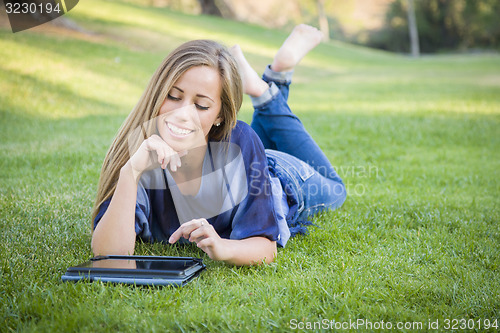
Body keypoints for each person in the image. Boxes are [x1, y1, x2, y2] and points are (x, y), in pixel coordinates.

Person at [91, 24, 346, 266]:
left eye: (201, 105)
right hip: (239, 160)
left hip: (281, 177)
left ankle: (265, 88)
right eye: (173, 96)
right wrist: (130, 172)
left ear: (220, 115)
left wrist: (223, 247)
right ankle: (262, 83)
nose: (183, 113)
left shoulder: (240, 139)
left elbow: (265, 247)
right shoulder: (140, 148)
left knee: (337, 190)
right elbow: (109, 255)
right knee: (249, 149)